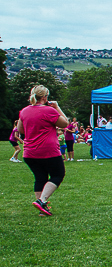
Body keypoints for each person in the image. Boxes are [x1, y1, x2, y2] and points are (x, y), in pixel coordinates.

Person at [18, 85, 69, 216]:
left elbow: (21, 130)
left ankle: (42, 208)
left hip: (29, 152)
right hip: (48, 150)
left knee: (40, 178)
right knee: (57, 175)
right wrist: (57, 108)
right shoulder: (48, 110)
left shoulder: (24, 111)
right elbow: (65, 123)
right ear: (45, 97)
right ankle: (42, 201)